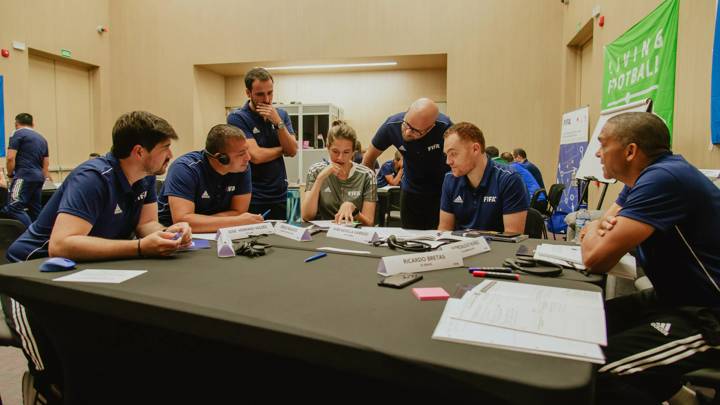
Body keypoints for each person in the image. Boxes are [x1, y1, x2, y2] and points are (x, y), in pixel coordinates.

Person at [3, 111, 191, 403]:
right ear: (139, 151)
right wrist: (141, 248)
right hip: (29, 276)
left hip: (82, 274)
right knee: (56, 369)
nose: (170, 155)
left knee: (101, 353)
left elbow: (146, 225)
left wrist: (170, 232)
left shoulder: (144, 179)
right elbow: (61, 245)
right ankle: (41, 390)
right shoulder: (92, 178)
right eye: (165, 148)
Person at [580, 112, 720, 405]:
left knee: (594, 373)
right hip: (674, 298)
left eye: (603, 144)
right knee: (581, 328)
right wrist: (595, 226)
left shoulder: (663, 179)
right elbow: (601, 225)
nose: (597, 152)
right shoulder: (641, 180)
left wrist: (593, 230)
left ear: (630, 151)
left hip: (707, 316)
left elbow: (595, 258)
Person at [362, 98, 453, 230]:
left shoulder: (446, 127)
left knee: (440, 238)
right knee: (409, 236)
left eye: (416, 131)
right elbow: (368, 160)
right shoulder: (391, 125)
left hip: (441, 191)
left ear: (431, 127)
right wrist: (368, 197)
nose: (407, 132)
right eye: (406, 124)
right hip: (411, 190)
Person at [158, 124, 263, 232]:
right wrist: (236, 221)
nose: (248, 158)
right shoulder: (185, 169)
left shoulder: (242, 167)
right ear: (222, 158)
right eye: (241, 154)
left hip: (216, 232)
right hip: (173, 234)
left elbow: (239, 212)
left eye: (247, 151)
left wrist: (203, 222)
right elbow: (183, 221)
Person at [227, 67, 297, 220]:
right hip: (253, 197)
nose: (266, 99)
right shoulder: (237, 118)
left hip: (280, 195)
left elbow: (292, 150)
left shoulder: (281, 115)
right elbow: (256, 156)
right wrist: (282, 150)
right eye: (260, 94)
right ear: (248, 93)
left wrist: (278, 122)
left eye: (270, 93)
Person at [438, 122, 528, 233]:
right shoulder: (450, 179)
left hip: (498, 249)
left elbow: (512, 237)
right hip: (461, 248)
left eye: (453, 153)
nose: (448, 161)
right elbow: (444, 229)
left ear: (475, 149)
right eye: (446, 155)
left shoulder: (509, 179)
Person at [301, 121, 377, 226]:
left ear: (353, 152)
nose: (340, 157)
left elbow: (369, 223)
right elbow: (306, 216)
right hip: (322, 235)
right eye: (335, 152)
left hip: (353, 236)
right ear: (328, 148)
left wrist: (354, 210)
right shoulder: (316, 170)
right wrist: (320, 179)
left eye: (346, 152)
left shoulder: (367, 175)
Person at [1, 113, 50, 226]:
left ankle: (28, 234)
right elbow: (46, 163)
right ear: (33, 124)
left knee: (13, 206)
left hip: (24, 175)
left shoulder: (18, 134)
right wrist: (44, 177)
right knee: (35, 210)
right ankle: (40, 237)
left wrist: (10, 174)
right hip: (38, 178)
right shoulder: (42, 138)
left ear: (16, 124)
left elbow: (10, 158)